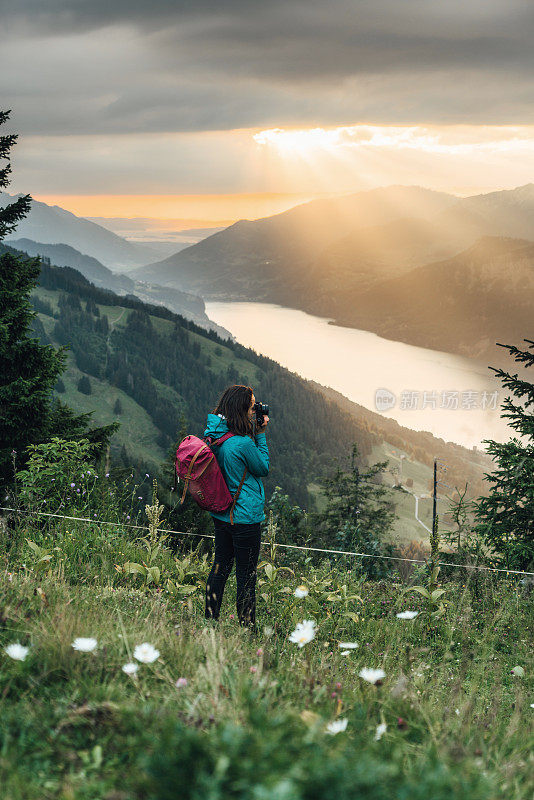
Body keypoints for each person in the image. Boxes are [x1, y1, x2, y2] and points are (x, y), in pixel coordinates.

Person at [203, 384, 269, 631]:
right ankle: (247, 627)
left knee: (220, 566)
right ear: (242, 409)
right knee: (246, 574)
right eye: (252, 406)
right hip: (245, 519)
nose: (255, 411)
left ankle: (210, 619)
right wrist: (261, 434)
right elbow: (263, 468)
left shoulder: (215, 436)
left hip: (221, 514)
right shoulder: (242, 443)